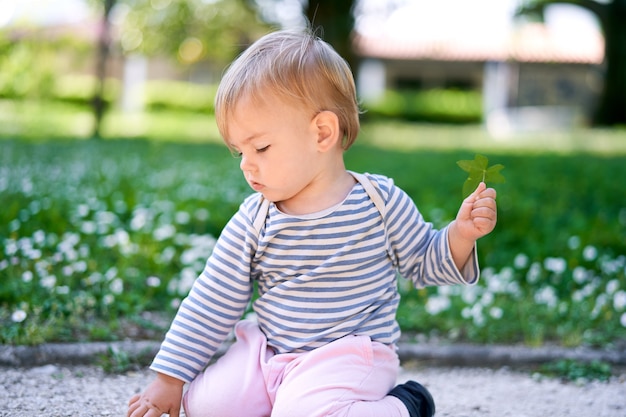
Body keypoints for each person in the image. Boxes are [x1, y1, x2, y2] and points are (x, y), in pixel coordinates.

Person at [127, 28, 497, 417]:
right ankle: (289, 398)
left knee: (305, 413)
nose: (246, 164)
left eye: (261, 147)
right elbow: (212, 299)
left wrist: (460, 234)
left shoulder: (379, 203)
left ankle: (407, 404)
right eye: (238, 151)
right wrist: (170, 380)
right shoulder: (255, 219)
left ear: (322, 132)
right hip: (273, 354)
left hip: (350, 356)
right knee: (207, 406)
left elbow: (425, 262)